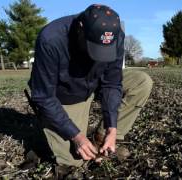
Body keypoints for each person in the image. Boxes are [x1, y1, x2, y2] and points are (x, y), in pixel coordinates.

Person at [28, 4, 153, 167]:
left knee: (142, 82)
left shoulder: (116, 35)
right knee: (75, 161)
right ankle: (52, 128)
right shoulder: (51, 39)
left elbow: (113, 83)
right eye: (94, 47)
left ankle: (101, 139)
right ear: (81, 28)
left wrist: (112, 127)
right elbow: (43, 96)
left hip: (95, 82)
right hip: (65, 95)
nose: (97, 57)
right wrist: (77, 136)